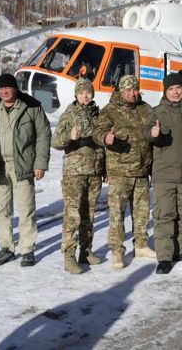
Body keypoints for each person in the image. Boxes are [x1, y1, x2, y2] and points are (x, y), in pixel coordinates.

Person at [0, 73, 51, 268]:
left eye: (7, 88)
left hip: (23, 165)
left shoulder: (31, 108)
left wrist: (40, 163)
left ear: (15, 89)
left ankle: (27, 250)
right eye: (1, 89)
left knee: (26, 209)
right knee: (2, 210)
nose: (4, 91)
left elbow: (43, 134)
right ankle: (6, 248)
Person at [144, 72, 182, 274]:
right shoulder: (156, 112)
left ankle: (180, 250)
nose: (175, 92)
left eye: (178, 88)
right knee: (164, 215)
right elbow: (146, 133)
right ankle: (164, 257)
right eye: (171, 89)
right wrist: (152, 135)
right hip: (164, 174)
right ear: (165, 91)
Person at [93, 74, 156, 270]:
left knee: (142, 212)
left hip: (142, 170)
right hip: (120, 171)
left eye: (134, 89)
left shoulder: (145, 109)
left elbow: (154, 130)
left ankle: (142, 245)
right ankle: (117, 251)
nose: (132, 93)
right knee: (117, 214)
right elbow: (97, 133)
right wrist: (106, 138)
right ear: (121, 91)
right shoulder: (109, 110)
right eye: (128, 90)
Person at [51, 77, 106, 275]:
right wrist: (69, 136)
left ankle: (86, 251)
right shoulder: (70, 113)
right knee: (72, 215)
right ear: (76, 94)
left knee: (88, 215)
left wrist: (104, 168)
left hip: (94, 171)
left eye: (88, 93)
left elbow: (103, 144)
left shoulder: (98, 114)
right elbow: (56, 141)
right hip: (74, 172)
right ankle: (69, 256)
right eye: (81, 93)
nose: (85, 96)